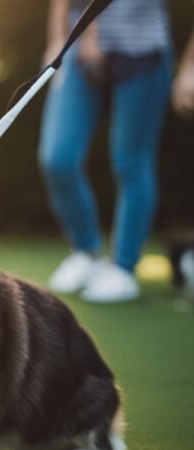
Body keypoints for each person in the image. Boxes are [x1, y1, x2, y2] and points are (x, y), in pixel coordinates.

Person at [39, 0, 194, 303]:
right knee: (57, 159)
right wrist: (65, 40)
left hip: (145, 55)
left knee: (131, 161)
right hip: (79, 53)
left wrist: (190, 67)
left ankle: (123, 267)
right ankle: (86, 252)